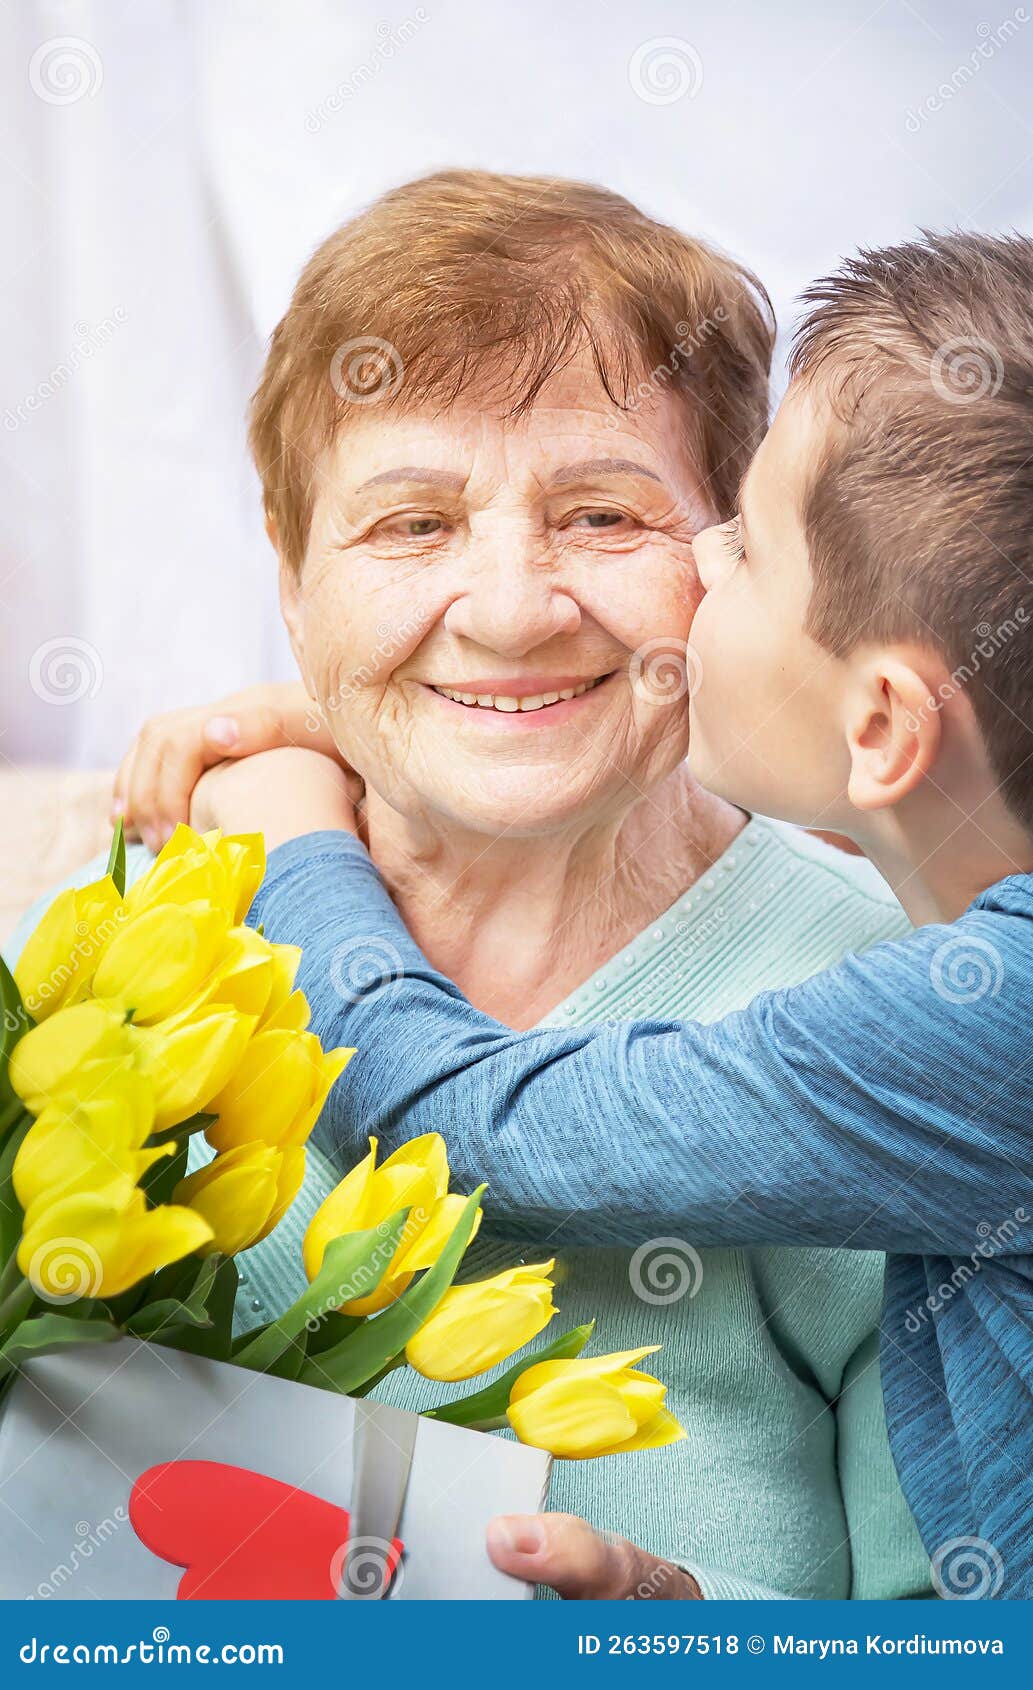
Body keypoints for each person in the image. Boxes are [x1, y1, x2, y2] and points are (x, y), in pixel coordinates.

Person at [126, 232, 1033, 1599]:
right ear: (291, 566)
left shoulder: (922, 1007)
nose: (504, 610)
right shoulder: (108, 956)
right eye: (411, 524)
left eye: (615, 518)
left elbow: (469, 1121)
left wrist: (296, 836)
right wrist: (374, 722)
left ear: (885, 721)